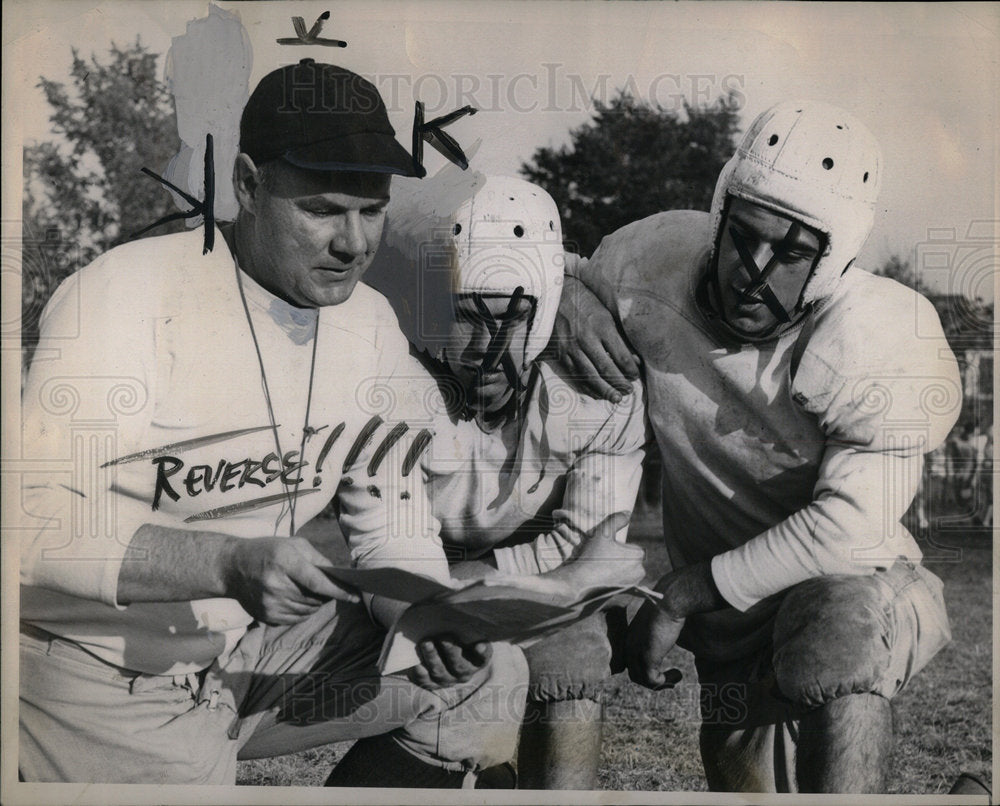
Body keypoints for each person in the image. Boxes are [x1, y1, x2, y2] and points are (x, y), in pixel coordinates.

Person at [18, 59, 529, 787]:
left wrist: (425, 613)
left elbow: (390, 520)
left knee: (488, 677)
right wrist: (224, 562)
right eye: (323, 208)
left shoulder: (370, 324)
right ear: (249, 185)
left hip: (238, 656)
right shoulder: (122, 297)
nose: (354, 243)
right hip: (95, 664)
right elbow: (27, 525)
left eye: (372, 209)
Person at [554, 100, 960, 793]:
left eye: (792, 253)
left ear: (834, 260)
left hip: (853, 586)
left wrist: (680, 595)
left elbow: (851, 531)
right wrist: (560, 290)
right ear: (718, 216)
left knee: (838, 628)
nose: (753, 269)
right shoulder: (647, 261)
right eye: (743, 236)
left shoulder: (875, 331)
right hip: (730, 627)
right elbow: (506, 249)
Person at [362, 171, 649, 789]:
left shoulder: (598, 396)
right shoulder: (394, 376)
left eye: (516, 319)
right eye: (468, 316)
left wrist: (467, 584)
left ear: (548, 312)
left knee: (575, 645)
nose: (488, 350)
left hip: (509, 579)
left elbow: (588, 555)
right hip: (397, 582)